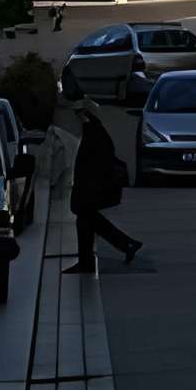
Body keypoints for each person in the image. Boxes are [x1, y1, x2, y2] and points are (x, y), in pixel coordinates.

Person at [66, 106, 142, 273]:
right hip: (90, 184)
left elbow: (95, 160)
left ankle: (123, 245)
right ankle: (124, 245)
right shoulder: (93, 130)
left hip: (91, 184)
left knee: (86, 217)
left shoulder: (92, 132)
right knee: (87, 218)